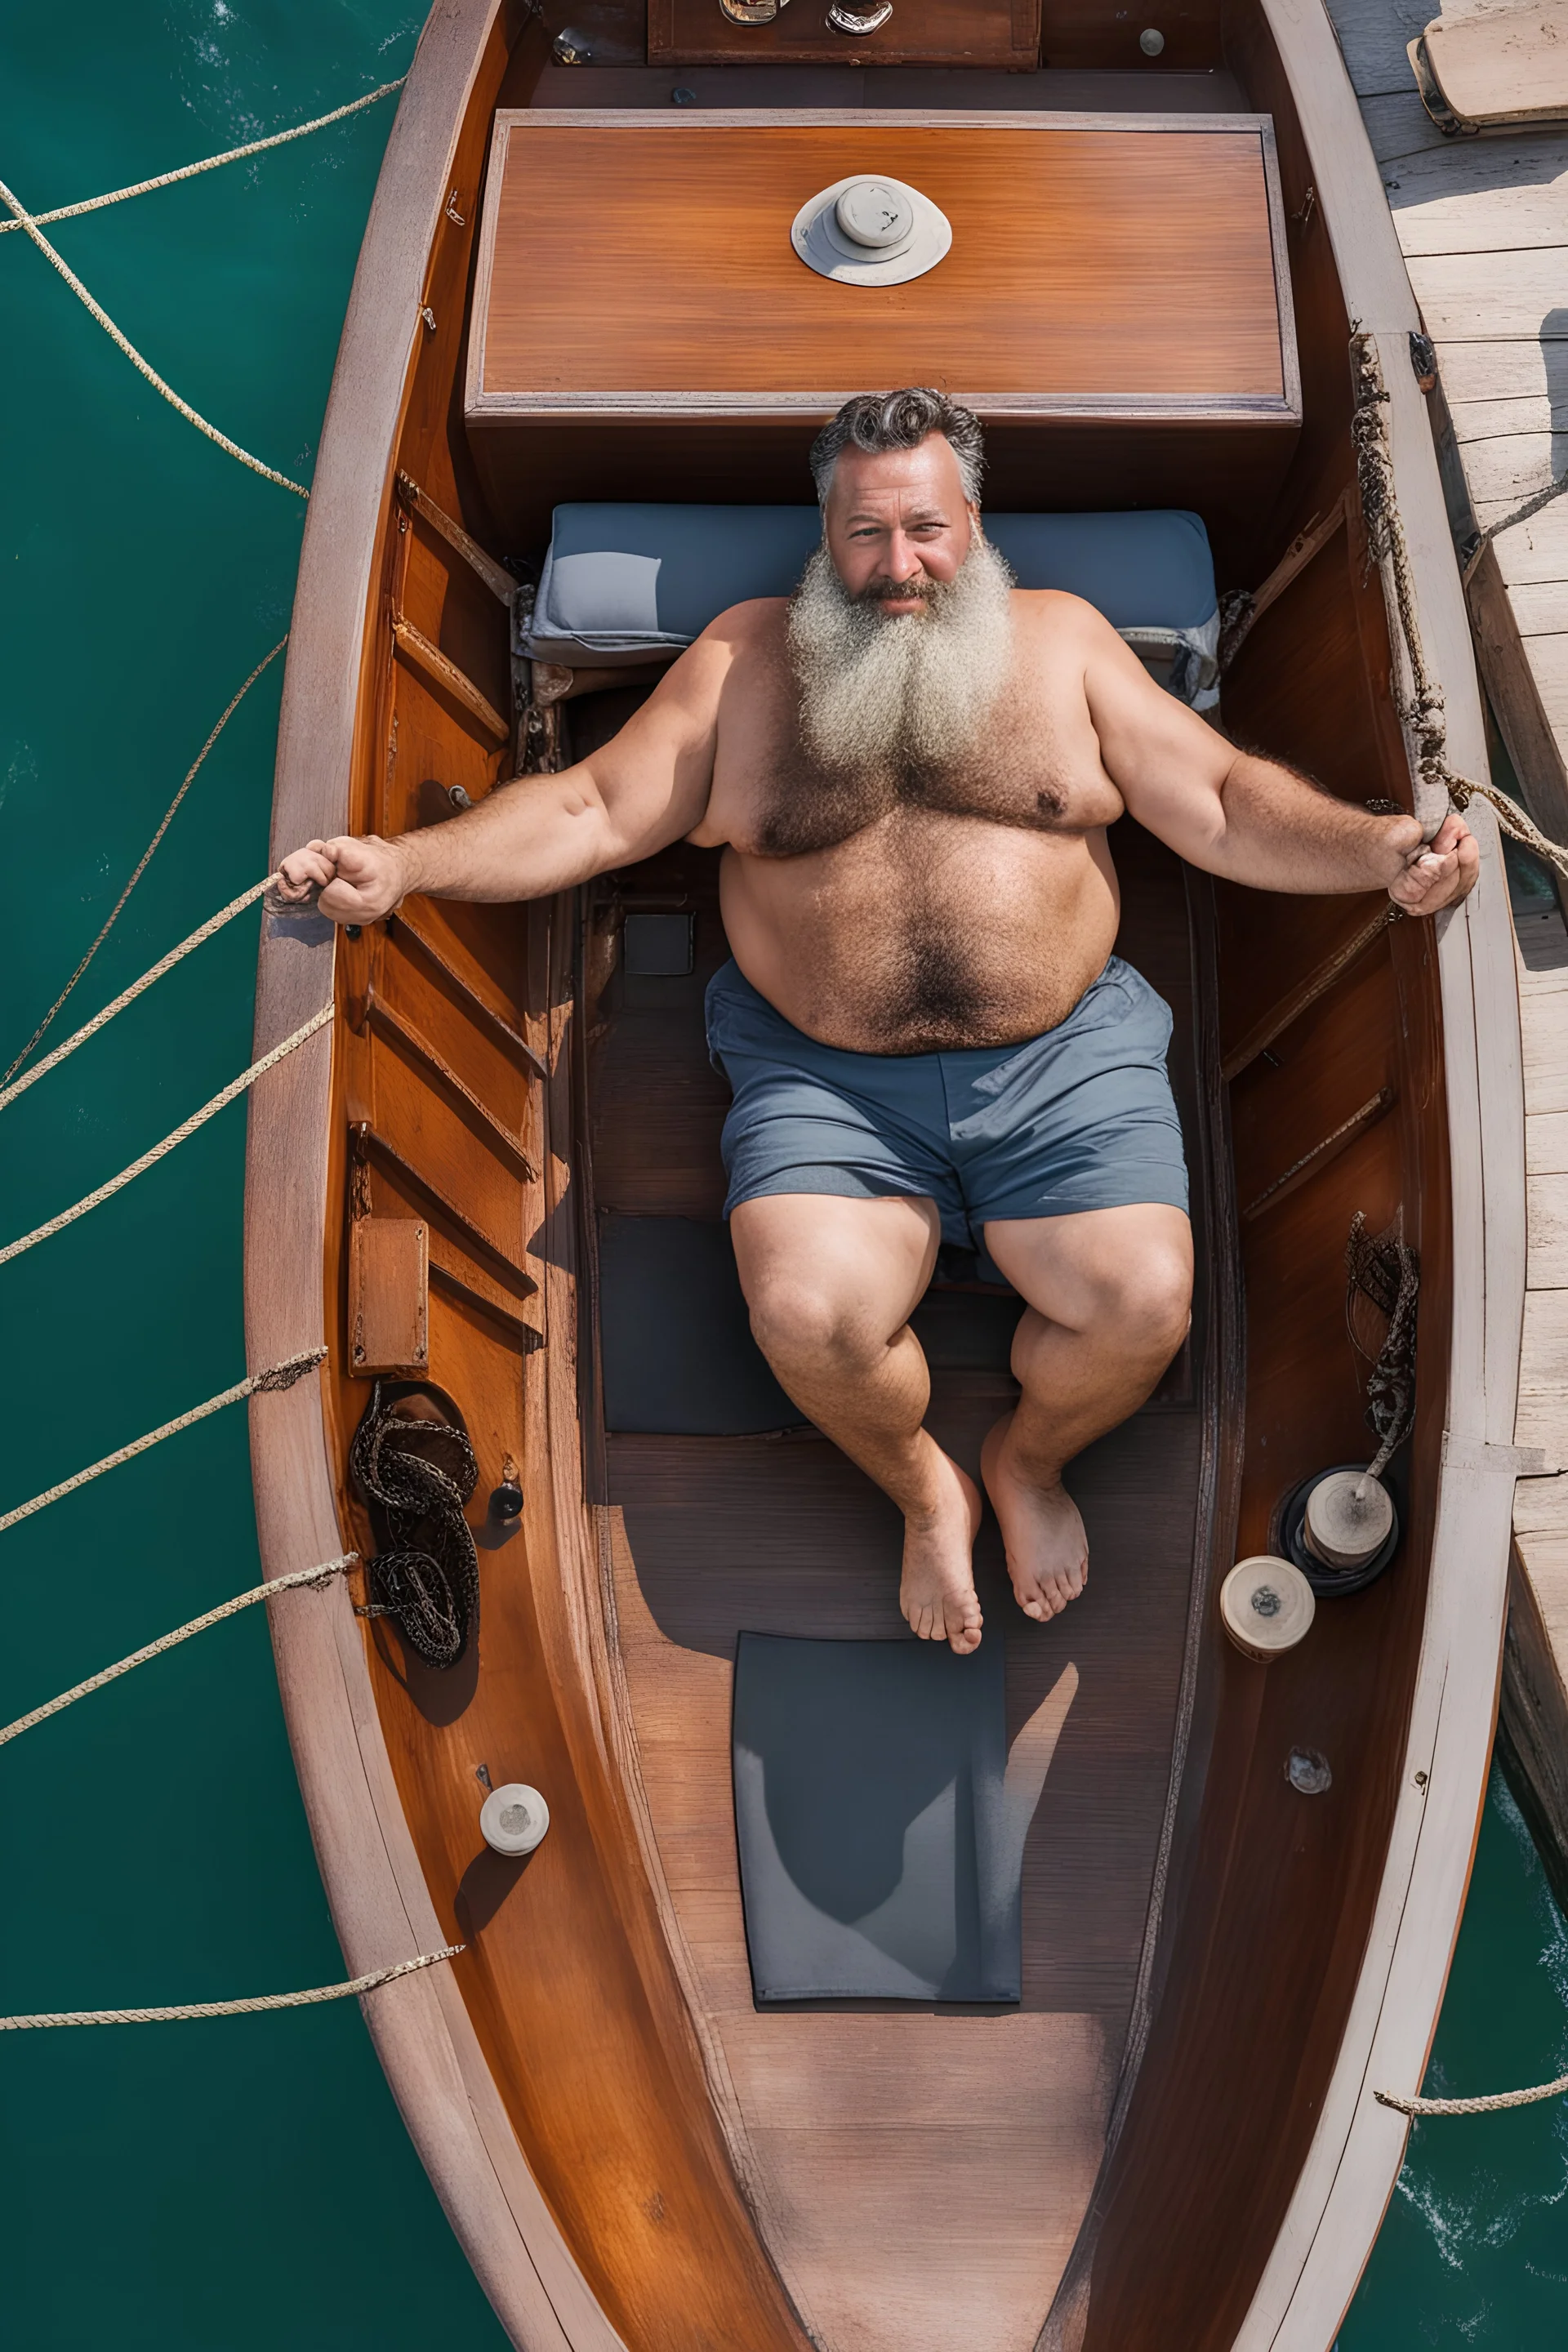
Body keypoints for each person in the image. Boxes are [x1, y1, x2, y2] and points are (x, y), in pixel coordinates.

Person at [276, 387, 1478, 1655]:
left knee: (1143, 1307)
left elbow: (1225, 803)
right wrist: (405, 866)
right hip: (825, 1084)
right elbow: (588, 811)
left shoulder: (1063, 644)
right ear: (824, 531)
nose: (897, 567)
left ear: (975, 520)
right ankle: (924, 1490)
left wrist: (1383, 849)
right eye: (864, 534)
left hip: (1063, 1063)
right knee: (805, 1316)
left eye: (926, 530)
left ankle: (1025, 1462)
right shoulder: (744, 665)